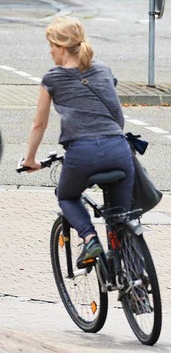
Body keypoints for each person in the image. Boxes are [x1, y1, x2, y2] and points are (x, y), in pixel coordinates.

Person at [22, 17, 134, 269]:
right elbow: (117, 115)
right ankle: (132, 278)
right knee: (120, 217)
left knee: (67, 196)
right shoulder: (103, 70)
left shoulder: (52, 78)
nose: (49, 51)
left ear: (61, 47)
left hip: (82, 153)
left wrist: (30, 159)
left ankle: (89, 238)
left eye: (51, 45)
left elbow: (39, 124)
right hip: (119, 148)